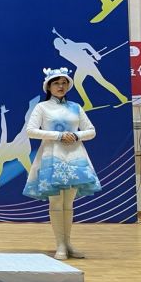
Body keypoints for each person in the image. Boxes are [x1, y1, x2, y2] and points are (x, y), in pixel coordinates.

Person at [23, 67, 100, 260]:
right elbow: (30, 131)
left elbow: (91, 131)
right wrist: (58, 135)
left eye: (64, 83)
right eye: (56, 83)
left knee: (69, 204)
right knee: (56, 202)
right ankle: (60, 245)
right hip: (51, 156)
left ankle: (68, 243)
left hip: (75, 157)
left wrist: (76, 135)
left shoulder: (76, 107)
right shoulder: (42, 107)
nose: (61, 86)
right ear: (48, 87)